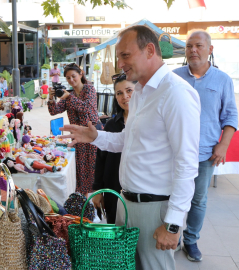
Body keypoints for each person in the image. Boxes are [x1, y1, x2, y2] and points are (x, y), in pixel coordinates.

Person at [59, 25, 201, 270]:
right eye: (119, 57)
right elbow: (128, 141)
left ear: (149, 50)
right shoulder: (141, 92)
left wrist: (173, 224)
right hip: (127, 205)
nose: (120, 64)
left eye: (125, 55)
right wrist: (95, 137)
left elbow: (187, 163)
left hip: (154, 209)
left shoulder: (176, 93)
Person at [173, 30, 238, 262]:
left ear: (210, 50)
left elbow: (231, 115)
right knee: (171, 196)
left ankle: (190, 240)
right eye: (189, 46)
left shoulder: (222, 80)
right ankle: (172, 236)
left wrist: (223, 145)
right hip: (174, 152)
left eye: (198, 45)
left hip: (205, 153)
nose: (193, 50)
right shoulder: (174, 76)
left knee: (198, 199)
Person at [48, 63, 99, 197]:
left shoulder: (89, 89)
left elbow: (86, 107)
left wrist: (68, 98)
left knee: (92, 172)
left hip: (92, 137)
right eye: (68, 78)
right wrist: (51, 97)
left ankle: (95, 204)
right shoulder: (68, 94)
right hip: (77, 138)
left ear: (81, 74)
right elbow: (54, 111)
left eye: (73, 76)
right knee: (80, 172)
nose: (71, 80)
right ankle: (82, 204)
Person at [92, 74, 136, 224]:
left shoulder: (148, 123)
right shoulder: (111, 124)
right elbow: (101, 160)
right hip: (113, 189)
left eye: (129, 90)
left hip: (139, 190)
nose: (125, 97)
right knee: (115, 232)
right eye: (119, 93)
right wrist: (98, 190)